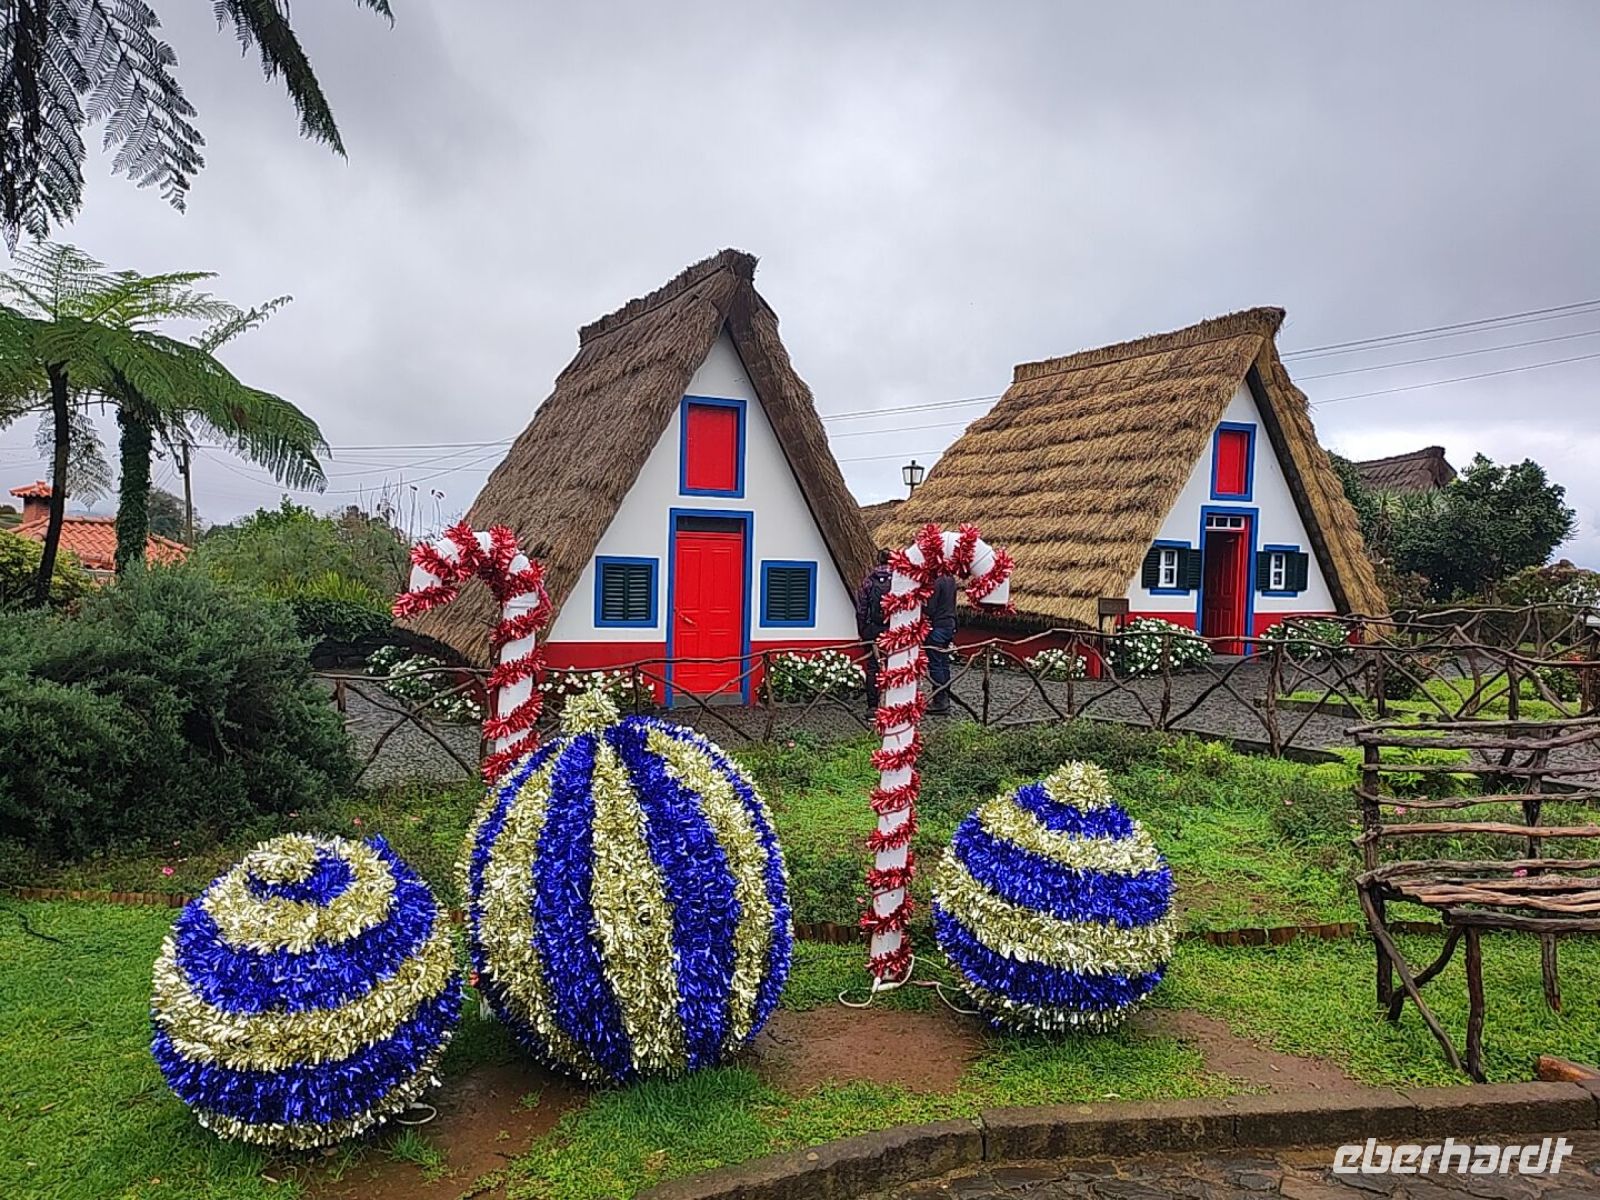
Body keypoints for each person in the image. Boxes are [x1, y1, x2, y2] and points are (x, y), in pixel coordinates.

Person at [855, 548, 893, 709]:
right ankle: (893, 703)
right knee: (894, 664)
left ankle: (872, 704)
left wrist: (862, 630)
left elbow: (861, 609)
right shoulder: (898, 580)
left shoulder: (869, 581)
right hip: (892, 630)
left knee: (872, 667)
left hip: (873, 629)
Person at [925, 572, 958, 714]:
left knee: (936, 663)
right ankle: (945, 697)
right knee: (944, 663)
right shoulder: (951, 579)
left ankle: (940, 700)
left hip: (938, 625)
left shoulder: (936, 581)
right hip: (949, 624)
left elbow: (931, 608)